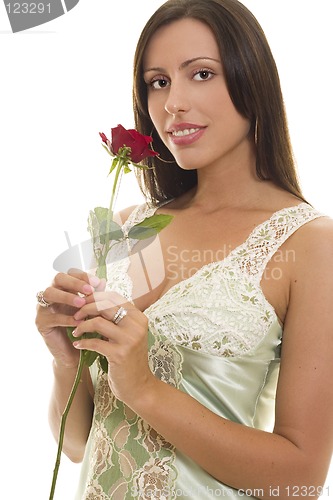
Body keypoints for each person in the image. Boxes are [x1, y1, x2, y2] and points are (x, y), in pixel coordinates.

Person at [35, 0, 333, 498]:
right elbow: (79, 444)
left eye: (201, 74)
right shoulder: (128, 228)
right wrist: (66, 360)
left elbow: (300, 478)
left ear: (251, 79)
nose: (173, 103)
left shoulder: (310, 244)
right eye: (158, 81)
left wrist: (146, 390)